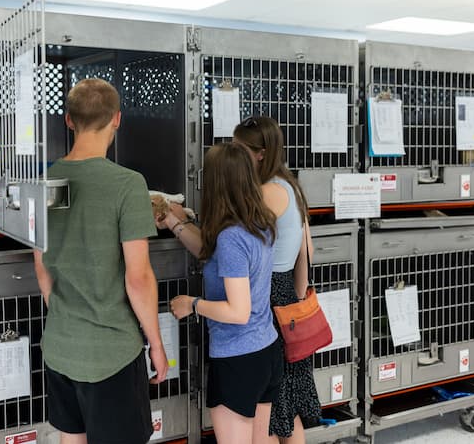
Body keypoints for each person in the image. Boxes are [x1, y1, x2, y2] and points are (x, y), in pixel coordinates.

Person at [33, 78, 168, 444]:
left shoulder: (47, 182)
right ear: (117, 119)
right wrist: (156, 344)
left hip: (61, 345)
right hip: (112, 353)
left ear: (68, 120)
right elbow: (137, 277)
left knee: (71, 436)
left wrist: (67, 316)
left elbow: (42, 265)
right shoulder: (127, 184)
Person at [165, 142, 282, 444]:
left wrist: (192, 304)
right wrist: (174, 222)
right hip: (266, 350)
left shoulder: (231, 237)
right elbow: (211, 252)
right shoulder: (260, 222)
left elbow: (237, 311)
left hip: (237, 357)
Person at [233, 115, 320, 444]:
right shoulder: (291, 186)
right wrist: (297, 298)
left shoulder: (266, 192)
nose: (233, 153)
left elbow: (234, 237)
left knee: (266, 410)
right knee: (287, 408)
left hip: (266, 292)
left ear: (259, 153)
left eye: (239, 148)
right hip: (284, 293)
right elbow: (305, 249)